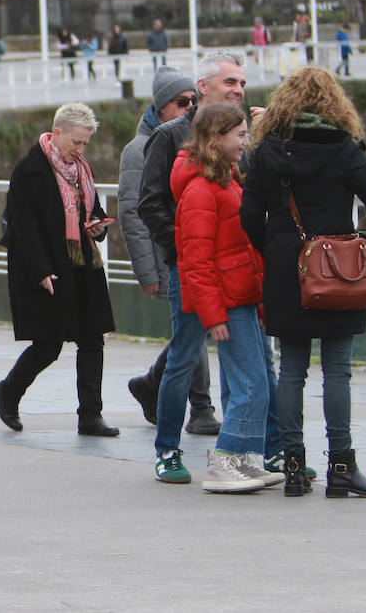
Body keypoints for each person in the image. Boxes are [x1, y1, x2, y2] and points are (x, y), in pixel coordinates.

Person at [241, 66, 366, 498]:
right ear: (335, 104)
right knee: (337, 371)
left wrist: (279, 251)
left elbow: (248, 218)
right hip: (338, 270)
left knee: (291, 370)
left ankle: (294, 469)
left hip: (284, 271)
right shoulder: (343, 150)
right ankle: (341, 467)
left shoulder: (264, 152)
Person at [138, 53, 249, 484]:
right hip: (192, 266)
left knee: (250, 358)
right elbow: (150, 202)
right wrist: (180, 251)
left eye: (241, 81)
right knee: (184, 357)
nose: (237, 88)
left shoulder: (242, 137)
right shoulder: (170, 137)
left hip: (235, 270)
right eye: (229, 81)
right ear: (203, 87)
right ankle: (167, 449)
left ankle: (251, 448)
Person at [173, 104, 282, 493]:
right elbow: (196, 259)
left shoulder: (226, 182)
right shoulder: (202, 190)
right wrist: (213, 314)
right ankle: (225, 460)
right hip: (228, 301)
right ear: (215, 138)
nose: (246, 141)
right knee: (250, 383)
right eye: (239, 134)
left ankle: (244, 459)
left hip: (241, 296)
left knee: (255, 382)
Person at [0, 102, 119, 439]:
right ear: (57, 132)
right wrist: (41, 270)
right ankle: (9, 390)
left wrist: (97, 227)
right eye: (76, 142)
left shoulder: (82, 170)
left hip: (83, 262)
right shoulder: (29, 170)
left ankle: (90, 416)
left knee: (93, 340)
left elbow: (93, 207)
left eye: (85, 144)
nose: (80, 150)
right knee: (48, 343)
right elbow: (24, 227)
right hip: (48, 267)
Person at [120, 68, 219, 435]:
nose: (190, 107)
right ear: (162, 107)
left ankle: (152, 385)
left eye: (193, 100)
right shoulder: (142, 148)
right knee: (194, 330)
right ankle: (200, 407)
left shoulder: (192, 138)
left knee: (194, 331)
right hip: (169, 252)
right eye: (182, 102)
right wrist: (148, 270)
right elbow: (134, 209)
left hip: (189, 249)